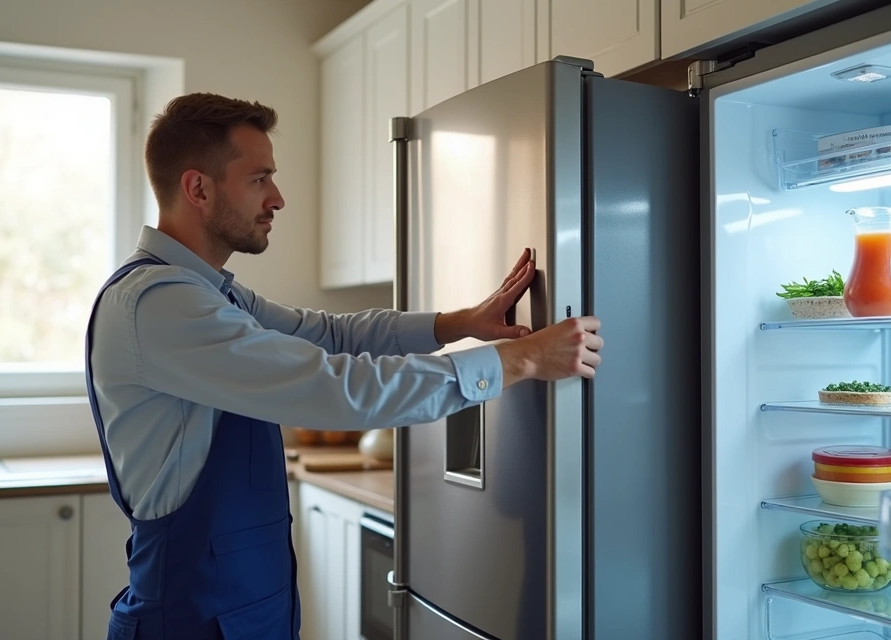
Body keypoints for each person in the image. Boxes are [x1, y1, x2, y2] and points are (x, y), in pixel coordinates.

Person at [84, 92, 603, 639]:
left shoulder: (211, 296)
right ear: (199, 189)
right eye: (260, 178)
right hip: (190, 623)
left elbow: (332, 335)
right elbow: (339, 389)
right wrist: (516, 360)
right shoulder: (161, 304)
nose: (278, 198)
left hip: (242, 615)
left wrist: (459, 322)